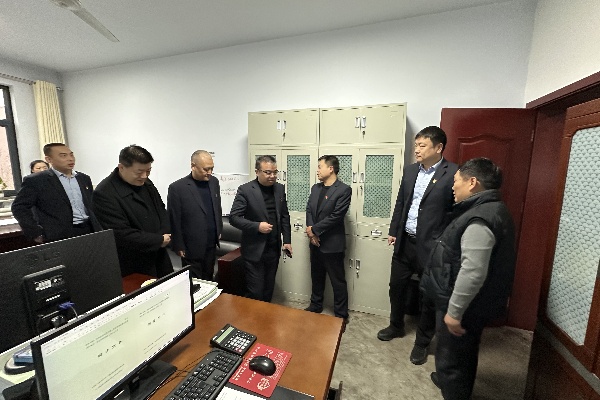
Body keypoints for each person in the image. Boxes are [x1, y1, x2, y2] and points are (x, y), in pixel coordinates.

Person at [422, 158, 516, 400]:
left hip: (465, 306)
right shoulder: (490, 209)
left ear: (472, 182)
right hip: (472, 302)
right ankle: (449, 380)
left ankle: (452, 386)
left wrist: (454, 312)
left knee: (453, 359)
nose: (453, 187)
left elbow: (473, 272)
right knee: (462, 354)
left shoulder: (480, 219)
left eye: (456, 181)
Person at [377, 126, 458, 367]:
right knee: (396, 287)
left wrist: (444, 242)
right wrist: (394, 230)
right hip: (405, 242)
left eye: (422, 145)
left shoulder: (453, 173)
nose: (417, 150)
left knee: (428, 296)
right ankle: (396, 325)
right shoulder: (411, 170)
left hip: (432, 248)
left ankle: (422, 341)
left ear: (438, 147)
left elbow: (455, 213)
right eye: (416, 145)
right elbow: (401, 203)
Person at [93, 145, 173, 278]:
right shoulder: (104, 193)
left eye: (148, 171)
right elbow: (120, 233)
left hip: (159, 254)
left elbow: (161, 209)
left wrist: (165, 233)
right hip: (132, 261)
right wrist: (158, 240)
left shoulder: (146, 182)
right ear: (121, 167)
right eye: (139, 172)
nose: (144, 176)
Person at [229, 155, 292, 302]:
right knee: (255, 292)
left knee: (268, 290)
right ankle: (253, 316)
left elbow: (284, 216)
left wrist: (287, 241)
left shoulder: (279, 188)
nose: (272, 176)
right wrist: (257, 226)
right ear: (257, 172)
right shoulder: (245, 190)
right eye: (268, 172)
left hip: (273, 249)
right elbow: (234, 218)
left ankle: (265, 316)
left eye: (275, 172)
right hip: (254, 250)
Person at [12, 143, 102, 242]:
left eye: (71, 155)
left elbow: (91, 204)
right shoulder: (37, 180)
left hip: (89, 230)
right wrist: (34, 232)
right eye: (63, 156)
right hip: (58, 234)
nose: (70, 159)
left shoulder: (83, 178)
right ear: (49, 159)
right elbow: (19, 207)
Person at [304, 155, 352, 321]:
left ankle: (341, 315)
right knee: (316, 277)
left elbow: (336, 216)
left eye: (320, 167)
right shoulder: (315, 188)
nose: (317, 170)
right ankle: (316, 305)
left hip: (332, 244)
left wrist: (314, 230)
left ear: (330, 169)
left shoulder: (344, 190)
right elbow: (309, 210)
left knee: (337, 281)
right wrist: (311, 232)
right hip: (315, 242)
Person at [168, 150, 223, 280]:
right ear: (193, 166)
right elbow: (174, 218)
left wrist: (219, 229)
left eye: (212, 168)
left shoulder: (214, 182)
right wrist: (178, 244)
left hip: (211, 243)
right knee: (195, 283)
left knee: (209, 279)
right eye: (206, 169)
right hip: (191, 246)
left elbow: (217, 207)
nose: (210, 172)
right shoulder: (177, 188)